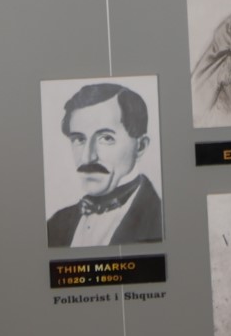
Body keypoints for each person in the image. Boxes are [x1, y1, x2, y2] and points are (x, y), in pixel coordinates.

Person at [46, 82, 163, 247]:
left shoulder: (161, 222)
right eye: (79, 139)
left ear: (140, 147)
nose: (87, 158)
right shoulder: (56, 224)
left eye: (106, 138)